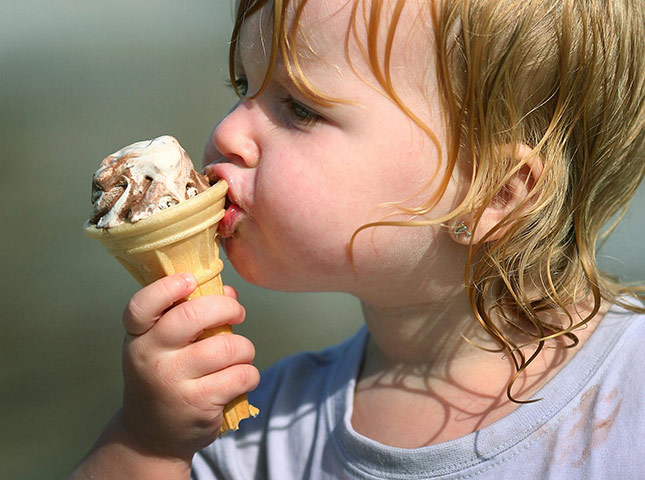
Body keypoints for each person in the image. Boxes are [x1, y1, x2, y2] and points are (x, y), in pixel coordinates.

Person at [70, 0, 645, 478]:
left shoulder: (632, 396)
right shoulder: (251, 430)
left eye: (299, 108)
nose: (226, 130)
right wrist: (146, 445)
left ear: (493, 192)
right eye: (244, 84)